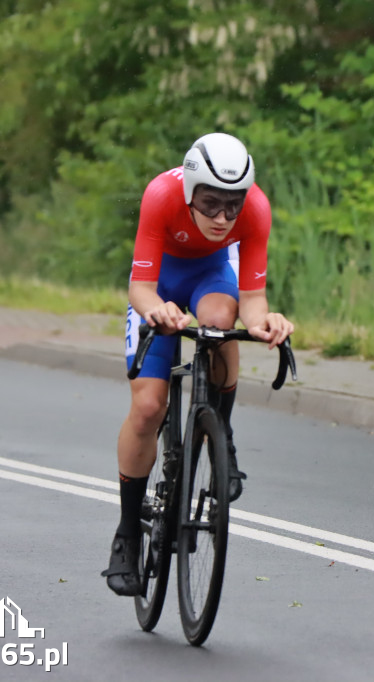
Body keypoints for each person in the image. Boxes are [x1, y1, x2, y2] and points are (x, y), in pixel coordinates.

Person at [102, 132, 294, 597]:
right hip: (159, 282)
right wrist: (157, 311)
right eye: (209, 203)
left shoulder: (256, 210)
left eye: (232, 205)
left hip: (211, 276)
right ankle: (127, 532)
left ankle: (218, 438)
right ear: (189, 190)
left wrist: (267, 322)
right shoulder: (161, 195)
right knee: (149, 408)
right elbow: (140, 287)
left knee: (218, 322)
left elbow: (251, 300)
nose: (222, 217)